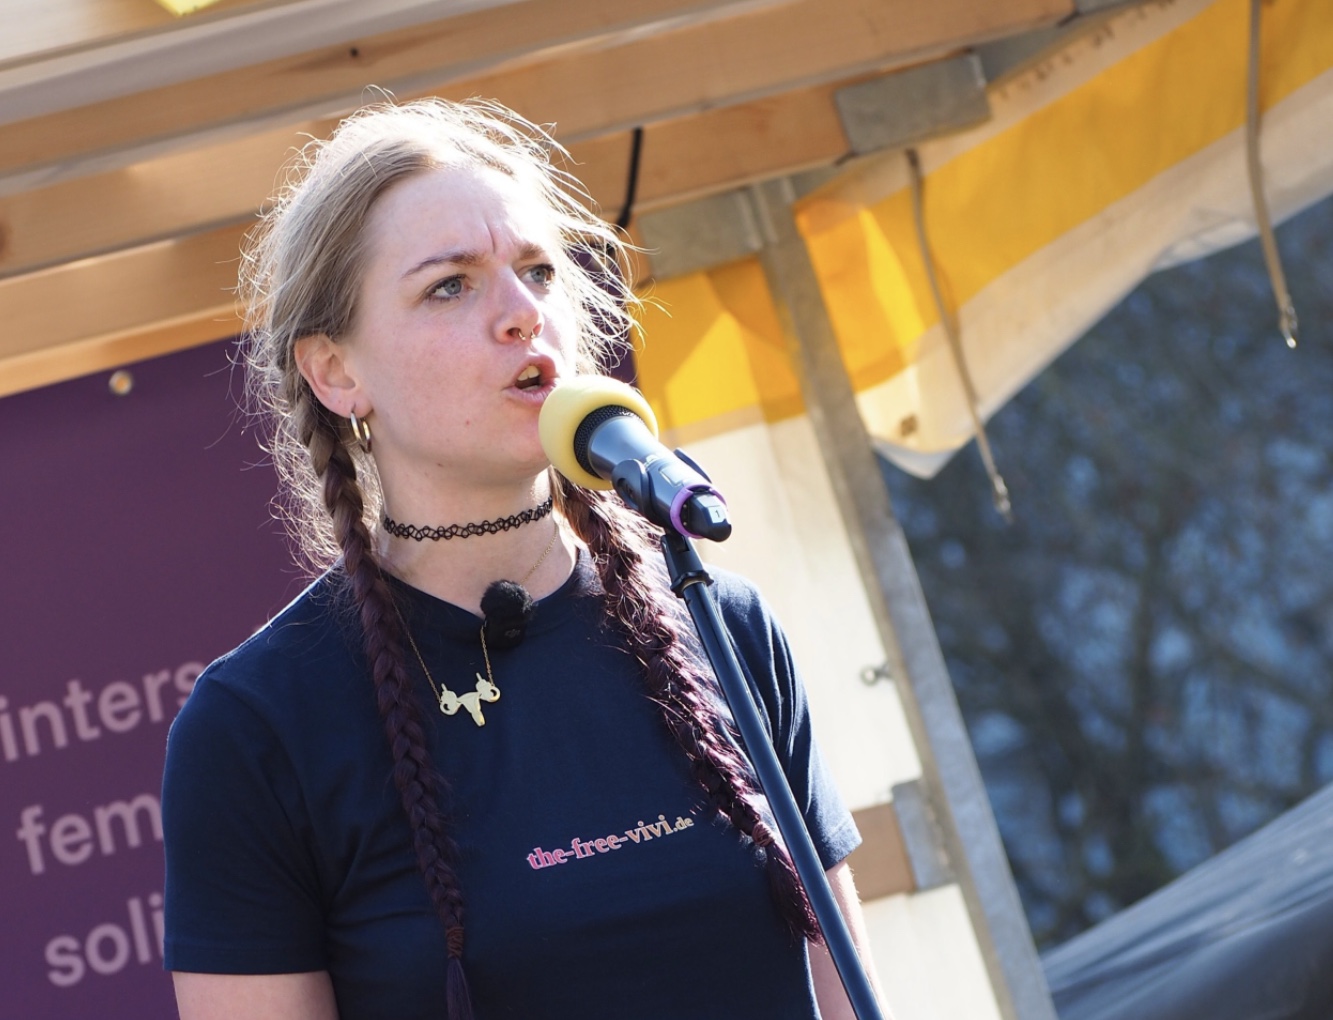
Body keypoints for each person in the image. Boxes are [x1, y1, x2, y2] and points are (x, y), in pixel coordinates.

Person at [161, 97, 883, 1020]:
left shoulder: (723, 623)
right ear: (336, 373)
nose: (520, 314)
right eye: (449, 286)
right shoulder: (257, 727)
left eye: (539, 271)